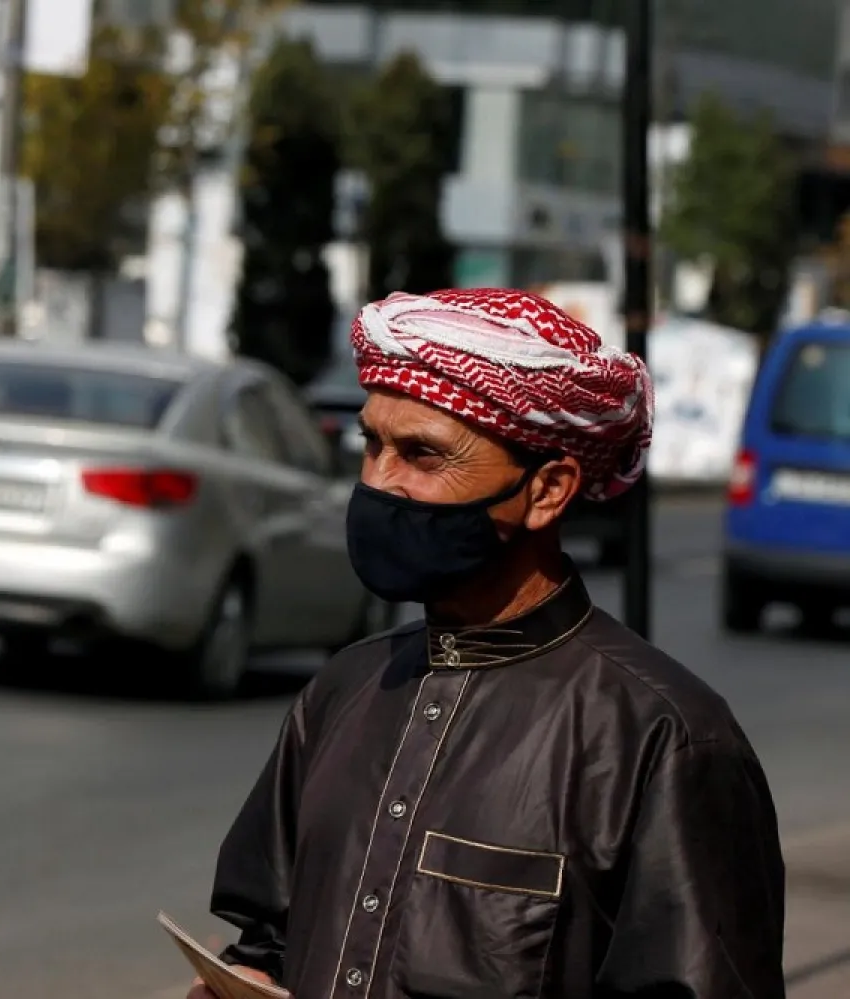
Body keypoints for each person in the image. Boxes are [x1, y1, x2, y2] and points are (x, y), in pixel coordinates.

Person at [194, 289, 785, 999]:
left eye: (422, 455)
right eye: (372, 445)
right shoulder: (342, 690)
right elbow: (272, 935)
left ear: (548, 490)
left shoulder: (660, 740)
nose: (381, 482)